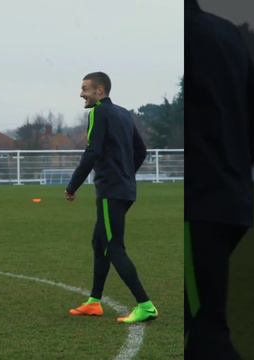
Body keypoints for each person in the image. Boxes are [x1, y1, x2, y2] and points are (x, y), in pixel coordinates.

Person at [185, 0, 254, 358]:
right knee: (195, 318)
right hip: (228, 201)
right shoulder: (226, 33)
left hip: (198, 207)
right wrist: (232, 168)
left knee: (207, 330)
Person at [65, 71, 156, 324]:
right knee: (99, 242)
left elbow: (92, 151)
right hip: (124, 189)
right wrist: (127, 175)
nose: (81, 93)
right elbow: (142, 150)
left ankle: (145, 305)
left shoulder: (98, 112)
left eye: (85, 88)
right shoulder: (124, 114)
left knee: (114, 247)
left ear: (100, 91)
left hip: (111, 191)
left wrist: (72, 186)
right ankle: (94, 302)